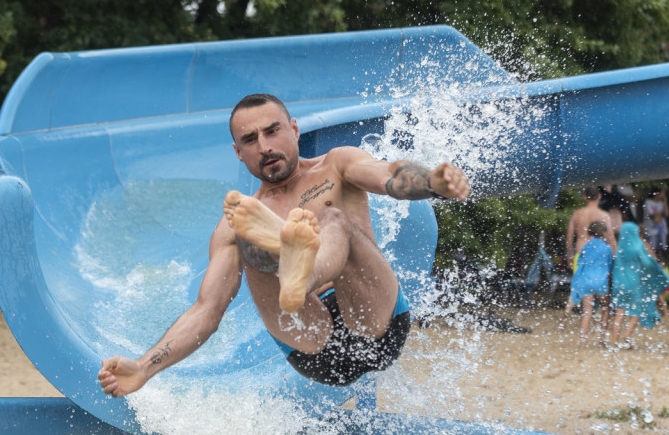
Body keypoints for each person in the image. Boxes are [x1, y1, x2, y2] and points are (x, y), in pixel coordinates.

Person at [98, 93, 470, 395]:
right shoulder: (239, 220)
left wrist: (432, 184)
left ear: (293, 130)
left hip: (375, 322)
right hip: (312, 343)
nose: (264, 146)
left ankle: (299, 271)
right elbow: (206, 311)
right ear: (238, 152)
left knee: (334, 220)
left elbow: (389, 175)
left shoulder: (337, 165)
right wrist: (143, 368)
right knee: (247, 238)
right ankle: (291, 267)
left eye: (272, 131)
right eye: (249, 140)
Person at [609, 221, 668, 348]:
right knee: (637, 311)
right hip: (633, 283)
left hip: (619, 284)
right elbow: (647, 263)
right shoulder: (638, 247)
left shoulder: (620, 248)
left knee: (619, 313)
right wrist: (657, 270)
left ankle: (614, 342)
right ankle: (627, 334)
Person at [568, 220, 613, 345]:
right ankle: (601, 337)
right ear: (602, 232)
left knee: (587, 311)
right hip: (600, 282)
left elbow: (580, 265)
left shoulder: (585, 247)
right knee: (605, 307)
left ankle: (583, 341)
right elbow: (609, 268)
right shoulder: (607, 248)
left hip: (586, 281)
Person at [643, 186, 668, 260]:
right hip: (651, 230)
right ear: (657, 193)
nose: (663, 195)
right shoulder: (648, 202)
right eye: (662, 193)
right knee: (651, 249)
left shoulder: (662, 203)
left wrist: (665, 200)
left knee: (660, 251)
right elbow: (652, 216)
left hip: (661, 229)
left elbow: (666, 214)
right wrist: (660, 215)